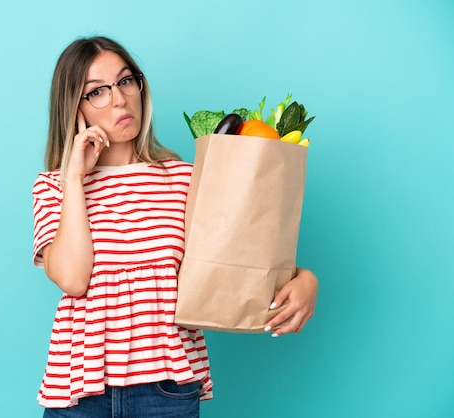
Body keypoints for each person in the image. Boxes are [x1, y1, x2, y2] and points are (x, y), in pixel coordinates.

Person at [32, 35, 318, 417]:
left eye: (125, 81)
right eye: (97, 91)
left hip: (166, 388)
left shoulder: (185, 179)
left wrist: (306, 279)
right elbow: (73, 278)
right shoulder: (54, 187)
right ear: (74, 108)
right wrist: (74, 178)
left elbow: (241, 258)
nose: (119, 99)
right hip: (79, 391)